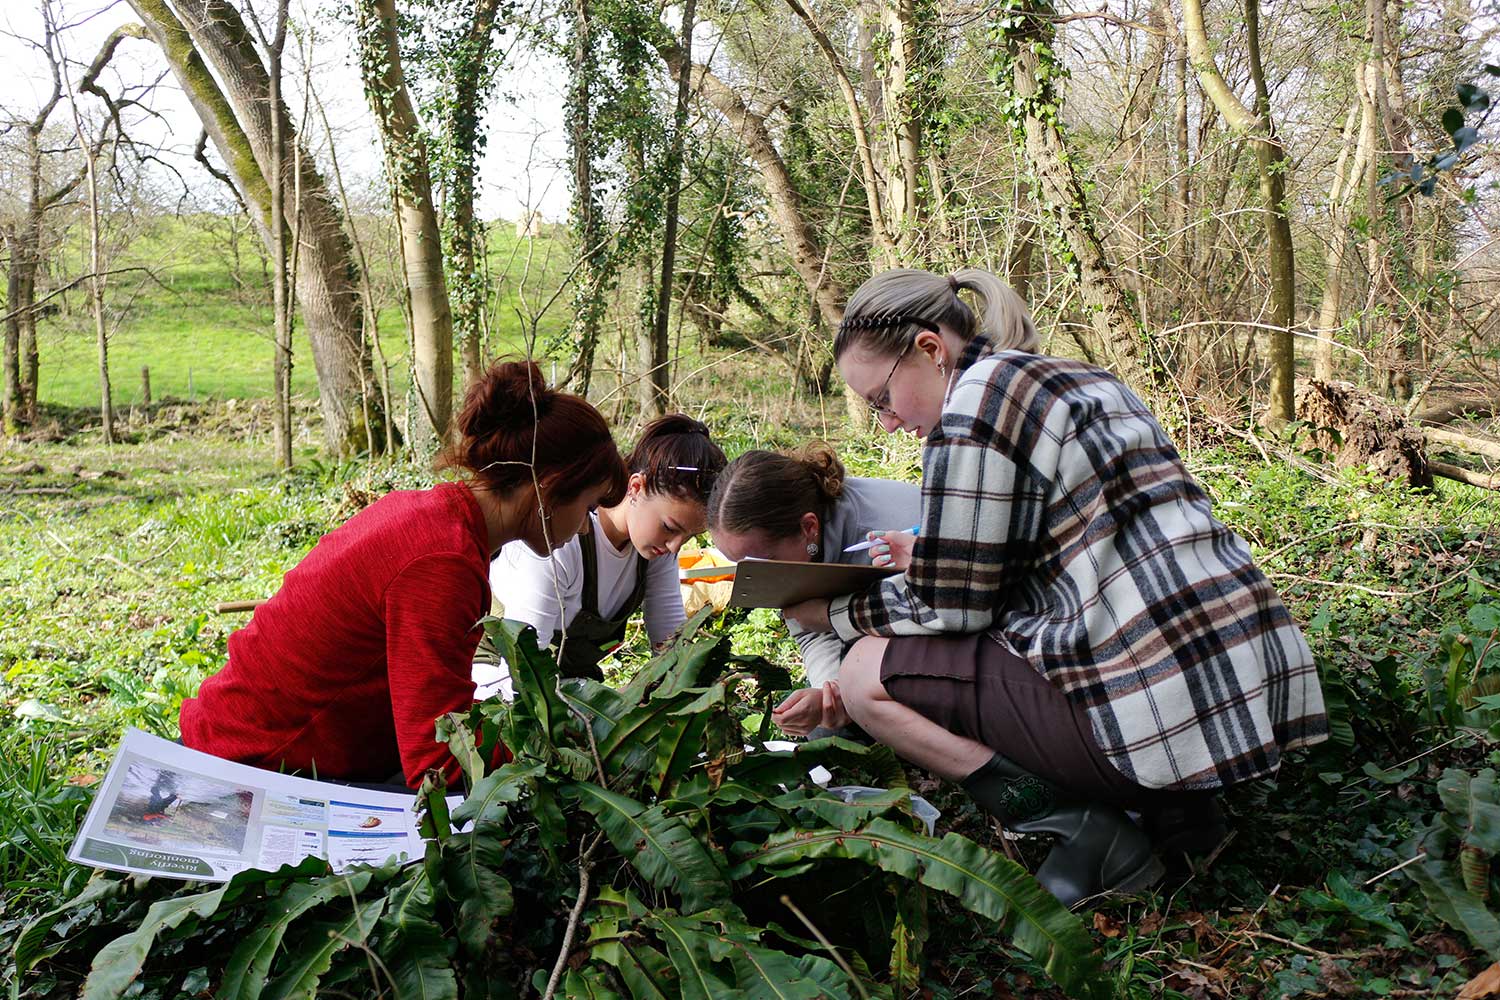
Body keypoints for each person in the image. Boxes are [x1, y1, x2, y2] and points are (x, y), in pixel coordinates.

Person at [783, 268, 1327, 907]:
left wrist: (829, 611)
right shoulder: (1070, 375)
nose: (888, 423)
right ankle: (1184, 812)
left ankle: (1086, 832)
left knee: (865, 674)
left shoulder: (974, 410)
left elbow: (949, 604)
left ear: (930, 350)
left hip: (1163, 710)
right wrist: (928, 555)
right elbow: (1075, 544)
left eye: (880, 399)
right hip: (1242, 695)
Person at [179, 361, 627, 789]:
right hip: (248, 767)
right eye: (587, 507)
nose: (584, 527)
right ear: (547, 488)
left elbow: (431, 704)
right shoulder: (441, 563)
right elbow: (438, 766)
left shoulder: (434, 517)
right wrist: (556, 748)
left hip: (236, 736)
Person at [477, 414, 727, 694]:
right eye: (669, 527)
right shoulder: (562, 541)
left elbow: (671, 649)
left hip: (569, 688)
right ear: (635, 487)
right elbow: (521, 671)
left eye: (689, 537)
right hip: (493, 680)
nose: (674, 547)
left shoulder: (655, 551)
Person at [705, 443, 920, 736]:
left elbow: (929, 616)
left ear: (808, 527)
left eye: (762, 562)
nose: (759, 576)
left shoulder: (883, 534)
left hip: (955, 645)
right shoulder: (796, 546)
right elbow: (808, 626)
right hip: (877, 648)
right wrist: (828, 692)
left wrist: (831, 618)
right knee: (823, 730)